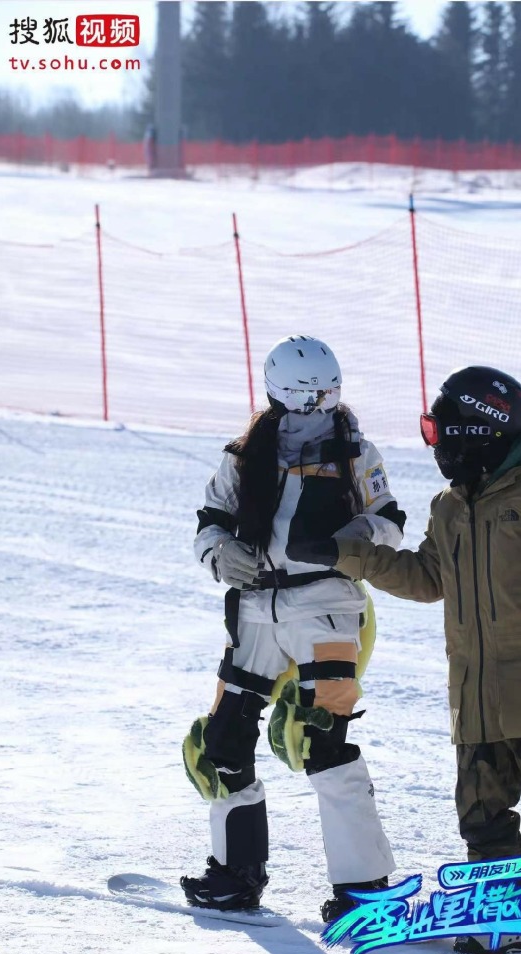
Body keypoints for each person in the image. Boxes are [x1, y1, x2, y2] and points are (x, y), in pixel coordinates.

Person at [296, 365, 521, 954]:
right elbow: (427, 578)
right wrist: (345, 554)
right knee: (483, 820)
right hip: (476, 695)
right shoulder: (451, 507)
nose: (439, 447)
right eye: (432, 433)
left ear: (484, 433)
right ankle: (505, 924)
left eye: (444, 433)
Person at [180, 335, 405, 921]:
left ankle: (365, 891)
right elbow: (210, 520)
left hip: (325, 605)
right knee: (222, 740)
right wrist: (218, 554)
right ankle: (235, 874)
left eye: (327, 392)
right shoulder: (243, 452)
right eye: (304, 393)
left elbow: (388, 521)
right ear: (277, 390)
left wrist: (345, 543)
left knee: (320, 738)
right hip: (254, 607)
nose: (316, 404)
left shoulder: (354, 450)